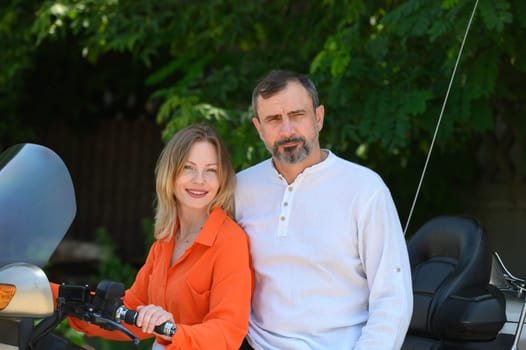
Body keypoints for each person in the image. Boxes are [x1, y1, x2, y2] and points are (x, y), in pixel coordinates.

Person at [235, 70, 413, 349]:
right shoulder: (240, 188)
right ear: (259, 128)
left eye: (297, 115)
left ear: (318, 117)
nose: (287, 130)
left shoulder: (365, 188)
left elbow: (393, 296)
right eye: (273, 119)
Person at [51, 123, 253, 349]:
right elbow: (131, 308)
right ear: (171, 174)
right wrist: (51, 294)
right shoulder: (165, 240)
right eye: (188, 167)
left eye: (211, 170)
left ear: (222, 178)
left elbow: (227, 331)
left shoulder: (229, 241)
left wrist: (171, 331)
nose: (200, 179)